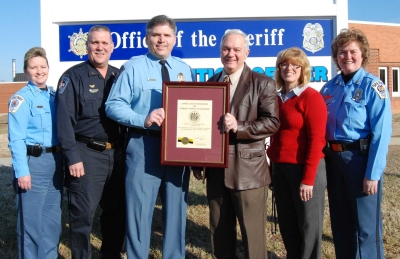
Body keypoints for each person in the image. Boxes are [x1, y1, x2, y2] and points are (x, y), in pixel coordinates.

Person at [105, 15, 195, 258]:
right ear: (147, 38)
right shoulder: (133, 67)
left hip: (179, 148)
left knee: (176, 211)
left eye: (166, 35)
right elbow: (113, 105)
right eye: (156, 35)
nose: (161, 40)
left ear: (175, 39)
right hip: (145, 145)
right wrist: (142, 117)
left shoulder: (184, 70)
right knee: (139, 213)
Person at [193, 29, 280, 259]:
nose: (231, 54)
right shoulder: (211, 82)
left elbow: (272, 123)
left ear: (246, 52)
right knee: (220, 235)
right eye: (226, 49)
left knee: (253, 238)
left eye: (236, 49)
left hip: (249, 173)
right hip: (216, 172)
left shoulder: (263, 83)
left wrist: (239, 126)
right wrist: (195, 158)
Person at [320, 28, 392, 258]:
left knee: (366, 228)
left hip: (359, 162)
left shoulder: (373, 87)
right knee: (341, 225)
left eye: (352, 51)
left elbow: (381, 134)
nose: (347, 56)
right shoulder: (328, 88)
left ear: (362, 55)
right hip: (334, 162)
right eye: (342, 52)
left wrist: (372, 173)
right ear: (336, 57)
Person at [56, 25, 126, 259]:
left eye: (105, 43)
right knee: (82, 216)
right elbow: (64, 121)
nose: (100, 47)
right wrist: (72, 157)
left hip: (117, 155)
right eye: (95, 43)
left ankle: (111, 255)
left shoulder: (120, 76)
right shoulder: (72, 77)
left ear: (112, 47)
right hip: (86, 154)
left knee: (116, 213)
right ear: (86, 46)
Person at [267, 47, 327, 259]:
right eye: (284, 64)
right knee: (288, 225)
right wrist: (271, 169)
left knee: (308, 228)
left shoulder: (311, 98)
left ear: (303, 70)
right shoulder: (276, 98)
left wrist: (308, 179)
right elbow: (275, 137)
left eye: (295, 65)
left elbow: (316, 140)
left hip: (305, 171)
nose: (289, 68)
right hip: (281, 171)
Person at [8, 47, 63, 259]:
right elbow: (17, 139)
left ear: (48, 68)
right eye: (33, 67)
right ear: (26, 70)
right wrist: (22, 171)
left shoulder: (55, 96)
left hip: (55, 164)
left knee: (51, 223)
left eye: (42, 66)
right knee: (31, 225)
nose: (39, 71)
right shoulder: (20, 99)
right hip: (34, 164)